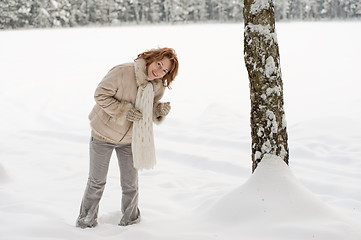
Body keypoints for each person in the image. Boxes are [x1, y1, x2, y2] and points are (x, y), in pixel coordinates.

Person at [76, 47, 179, 228]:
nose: (159, 71)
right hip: (103, 134)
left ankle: (131, 222)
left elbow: (147, 110)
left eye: (165, 70)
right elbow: (100, 94)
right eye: (159, 64)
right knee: (97, 182)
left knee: (130, 184)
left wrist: (158, 111)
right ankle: (86, 221)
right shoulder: (123, 72)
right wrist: (124, 111)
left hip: (130, 139)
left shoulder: (156, 86)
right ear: (151, 59)